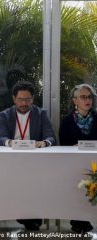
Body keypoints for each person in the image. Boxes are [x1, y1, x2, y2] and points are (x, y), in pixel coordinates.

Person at [0, 80, 56, 231]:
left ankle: (31, 218)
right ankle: (27, 218)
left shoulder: (42, 114)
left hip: (35, 160)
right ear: (13, 99)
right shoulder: (4, 115)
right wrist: (10, 143)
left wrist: (44, 143)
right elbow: (1, 138)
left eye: (28, 99)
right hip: (12, 159)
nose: (24, 103)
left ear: (33, 99)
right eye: (21, 99)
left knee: (35, 183)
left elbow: (50, 137)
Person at [59, 83, 96, 233]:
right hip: (74, 164)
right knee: (75, 183)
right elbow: (64, 144)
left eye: (89, 97)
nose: (87, 100)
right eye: (83, 97)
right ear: (75, 101)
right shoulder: (67, 121)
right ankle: (78, 219)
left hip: (95, 164)